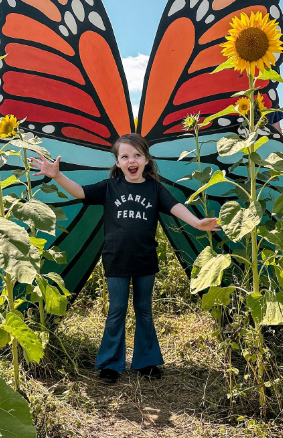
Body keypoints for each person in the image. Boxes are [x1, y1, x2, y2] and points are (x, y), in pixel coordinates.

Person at [29, 133, 220, 384]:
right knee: (117, 310)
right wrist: (57, 174)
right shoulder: (110, 187)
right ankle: (110, 365)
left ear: (147, 160)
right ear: (117, 162)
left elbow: (176, 207)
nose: (132, 161)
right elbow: (79, 192)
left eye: (137, 155)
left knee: (144, 310)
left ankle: (147, 362)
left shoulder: (155, 188)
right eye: (125, 156)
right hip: (116, 259)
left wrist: (197, 222)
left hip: (145, 260)